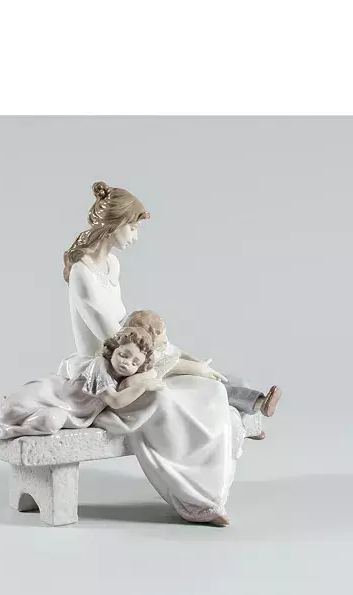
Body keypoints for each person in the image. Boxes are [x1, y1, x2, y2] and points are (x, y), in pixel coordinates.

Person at [60, 181, 271, 526]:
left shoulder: (111, 264)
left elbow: (125, 325)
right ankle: (198, 498)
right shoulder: (83, 273)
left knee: (206, 387)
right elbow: (112, 340)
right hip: (110, 367)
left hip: (132, 353)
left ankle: (214, 483)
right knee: (174, 399)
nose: (135, 236)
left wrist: (161, 346)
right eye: (133, 227)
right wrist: (174, 362)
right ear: (115, 225)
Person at [0, 326, 163, 440]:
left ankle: (12, 427)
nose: (127, 363)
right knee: (11, 411)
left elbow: (137, 380)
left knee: (51, 422)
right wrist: (144, 385)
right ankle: (2, 418)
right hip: (53, 395)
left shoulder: (122, 378)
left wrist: (147, 374)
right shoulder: (100, 365)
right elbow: (115, 400)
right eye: (123, 355)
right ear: (114, 349)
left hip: (68, 411)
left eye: (135, 363)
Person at [123, 309, 281, 437]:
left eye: (165, 337)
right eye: (160, 341)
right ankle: (259, 403)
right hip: (176, 386)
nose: (165, 342)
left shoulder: (162, 345)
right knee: (221, 389)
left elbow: (177, 352)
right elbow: (174, 365)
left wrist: (198, 362)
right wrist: (200, 369)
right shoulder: (144, 357)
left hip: (189, 378)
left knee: (233, 381)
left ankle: (249, 427)